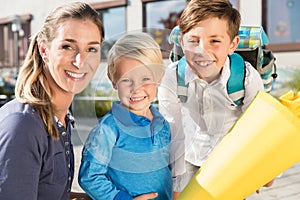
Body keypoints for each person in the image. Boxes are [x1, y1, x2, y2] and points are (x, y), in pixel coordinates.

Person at [157, 0, 273, 199]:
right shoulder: (172, 77)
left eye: (215, 41)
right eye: (193, 41)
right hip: (190, 154)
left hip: (230, 158)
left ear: (232, 45)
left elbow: (258, 125)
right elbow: (172, 127)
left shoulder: (245, 77)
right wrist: (175, 181)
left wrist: (262, 167)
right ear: (182, 43)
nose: (202, 50)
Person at [0, 2, 104, 200]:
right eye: (67, 46)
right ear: (44, 50)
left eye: (92, 49)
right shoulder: (23, 125)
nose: (80, 61)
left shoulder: (61, 118)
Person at [78, 32, 172, 200]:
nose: (136, 88)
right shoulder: (108, 129)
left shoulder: (163, 123)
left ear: (159, 77)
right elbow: (90, 177)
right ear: (113, 80)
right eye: (126, 80)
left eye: (146, 79)